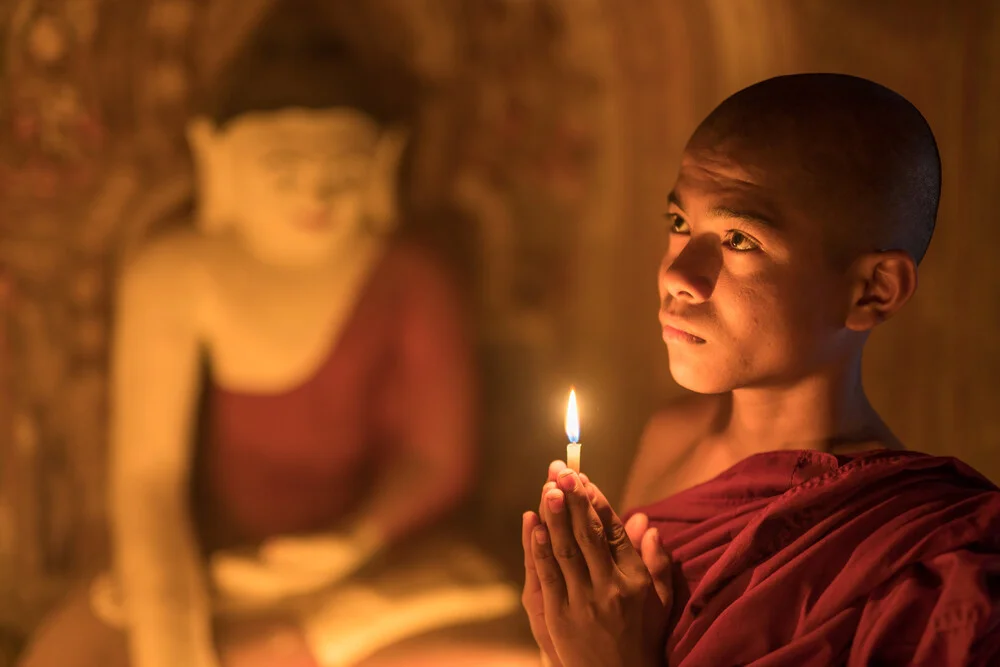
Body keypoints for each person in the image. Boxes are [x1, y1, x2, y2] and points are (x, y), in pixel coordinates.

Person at [17, 4, 526, 667]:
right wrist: (172, 636)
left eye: (340, 175)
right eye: (284, 172)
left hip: (381, 568)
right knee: (66, 654)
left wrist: (352, 540)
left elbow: (438, 459)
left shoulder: (414, 274)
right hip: (223, 573)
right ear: (218, 159)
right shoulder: (176, 274)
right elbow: (148, 482)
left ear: (382, 163)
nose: (313, 195)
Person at [521, 73, 1000, 666]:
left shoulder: (928, 566)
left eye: (740, 239)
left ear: (871, 291)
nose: (678, 275)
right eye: (679, 225)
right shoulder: (672, 438)